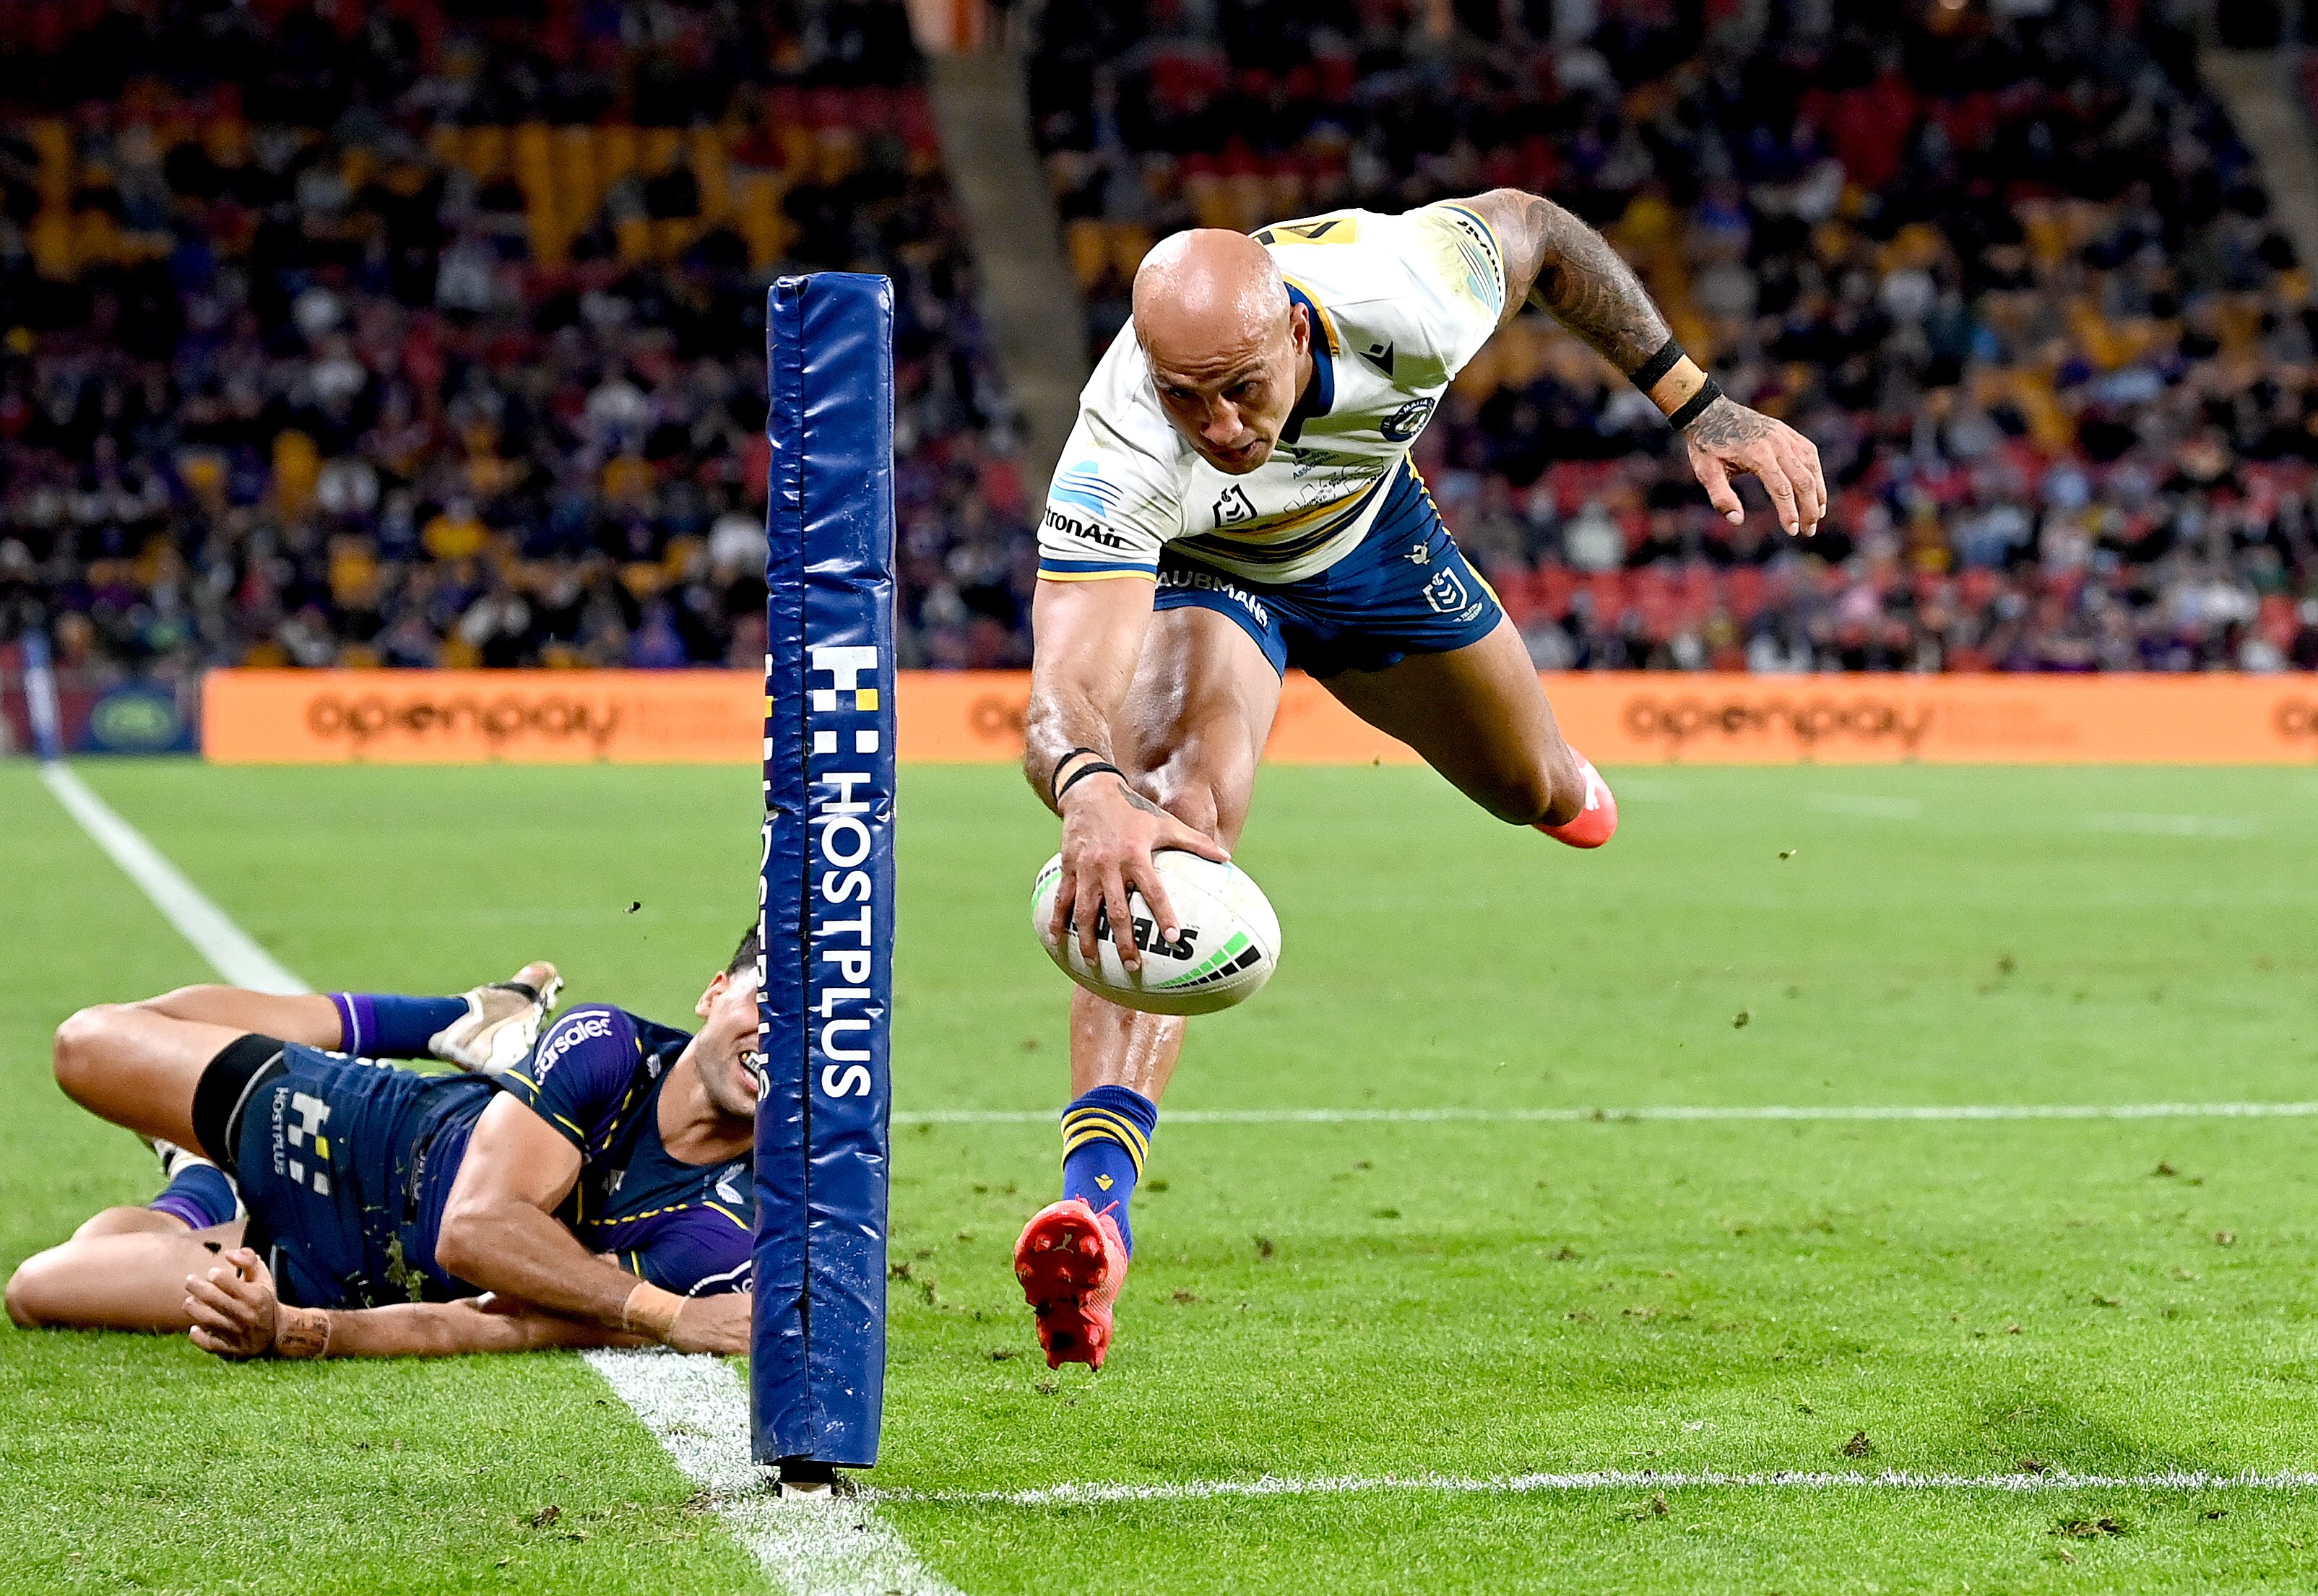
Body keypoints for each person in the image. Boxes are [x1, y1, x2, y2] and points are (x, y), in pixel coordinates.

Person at [1012, 193, 1826, 1368]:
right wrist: (1093, 790)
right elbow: (1061, 691)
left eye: (1241, 387)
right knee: (1173, 812)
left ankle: (1554, 784)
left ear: (1297, 334)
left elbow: (1540, 232)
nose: (1219, 426)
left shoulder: (1403, 286)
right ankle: (1097, 1210)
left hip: (1372, 543)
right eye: (1186, 396)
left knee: (1533, 788)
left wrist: (1696, 404)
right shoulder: (1121, 446)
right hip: (1208, 581)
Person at [7, 934, 764, 1361]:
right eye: (767, 1001)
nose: (779, 1039)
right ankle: (453, 1019)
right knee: (88, 1043)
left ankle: (198, 1184)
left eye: (810, 1033)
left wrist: (289, 1327)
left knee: (40, 1289)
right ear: (713, 993)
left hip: (330, 1275)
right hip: (351, 1129)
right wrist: (669, 1317)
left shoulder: (726, 1234)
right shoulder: (607, 1043)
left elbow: (492, 1320)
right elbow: (474, 1231)